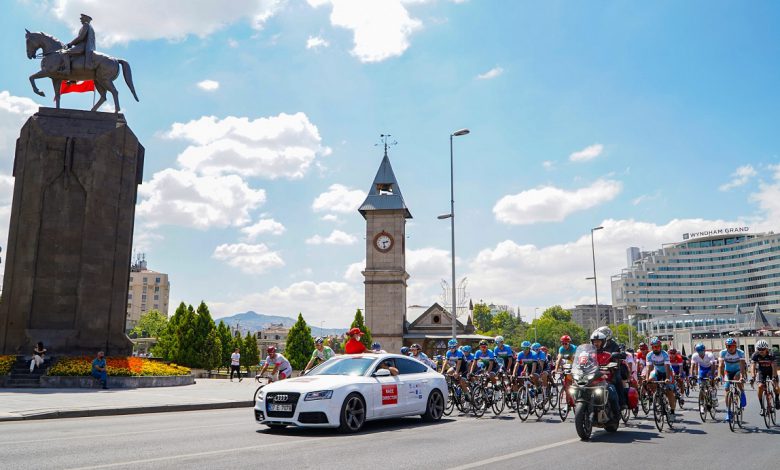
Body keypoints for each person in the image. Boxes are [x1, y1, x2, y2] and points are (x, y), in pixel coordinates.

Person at [589, 330, 622, 421]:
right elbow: (582, 364)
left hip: (604, 381)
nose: (596, 343)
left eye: (598, 341)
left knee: (612, 391)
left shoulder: (608, 355)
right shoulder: (589, 355)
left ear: (603, 342)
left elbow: (615, 364)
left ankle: (616, 414)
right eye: (594, 342)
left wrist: (613, 366)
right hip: (590, 381)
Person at [645, 337, 677, 420]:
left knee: (669, 391)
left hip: (667, 372)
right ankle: (658, 397)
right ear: (651, 347)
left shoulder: (665, 354)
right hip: (657, 371)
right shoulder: (649, 355)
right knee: (650, 380)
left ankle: (672, 412)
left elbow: (667, 367)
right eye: (653, 347)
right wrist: (647, 379)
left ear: (660, 346)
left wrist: (667, 378)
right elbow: (649, 368)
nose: (655, 348)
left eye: (657, 346)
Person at [719, 337, 746, 422]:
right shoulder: (723, 353)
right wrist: (721, 377)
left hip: (738, 371)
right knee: (727, 389)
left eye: (731, 346)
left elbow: (742, 367)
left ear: (735, 346)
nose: (729, 348)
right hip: (728, 371)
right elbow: (721, 366)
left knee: (737, 378)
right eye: (727, 346)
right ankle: (728, 411)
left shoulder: (740, 353)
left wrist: (742, 377)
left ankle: (742, 392)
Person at [749, 339, 780, 414]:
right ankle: (762, 407)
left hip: (771, 371)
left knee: (776, 387)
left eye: (763, 349)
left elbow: (774, 366)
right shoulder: (755, 355)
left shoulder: (771, 354)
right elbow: (752, 366)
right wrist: (753, 377)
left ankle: (776, 399)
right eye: (759, 349)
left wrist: (774, 377)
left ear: (766, 349)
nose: (761, 351)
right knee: (760, 387)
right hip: (761, 371)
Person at [690, 343, 718, 408]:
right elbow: (692, 366)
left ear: (704, 350)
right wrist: (692, 375)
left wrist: (712, 375)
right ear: (696, 351)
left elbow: (713, 365)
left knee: (711, 381)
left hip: (710, 368)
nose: (700, 353)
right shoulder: (695, 356)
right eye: (698, 351)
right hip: (702, 369)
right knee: (701, 386)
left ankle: (713, 396)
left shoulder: (710, 355)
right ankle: (702, 403)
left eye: (702, 351)